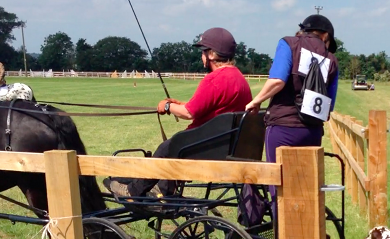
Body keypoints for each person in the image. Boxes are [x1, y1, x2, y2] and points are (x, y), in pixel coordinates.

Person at [104, 27, 252, 198]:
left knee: (168, 147)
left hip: (208, 145)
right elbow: (212, 106)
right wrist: (179, 104)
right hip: (227, 143)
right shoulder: (238, 78)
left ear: (211, 54)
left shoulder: (215, 79)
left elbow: (189, 113)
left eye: (203, 51)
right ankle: (159, 188)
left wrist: (166, 106)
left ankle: (134, 191)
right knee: (173, 144)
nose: (201, 56)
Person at [245, 14, 339, 164]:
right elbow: (330, 105)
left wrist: (256, 101)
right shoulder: (332, 60)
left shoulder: (288, 44)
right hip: (312, 131)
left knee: (278, 182)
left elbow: (277, 81)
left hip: (282, 127)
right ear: (325, 35)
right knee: (307, 183)